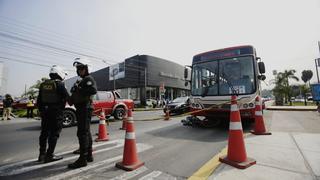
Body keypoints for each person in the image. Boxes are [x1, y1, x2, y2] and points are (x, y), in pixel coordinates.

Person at [68, 57, 97, 169]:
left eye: (82, 68)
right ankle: (89, 155)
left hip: (85, 108)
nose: (79, 70)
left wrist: (78, 89)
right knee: (86, 132)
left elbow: (93, 90)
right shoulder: (80, 80)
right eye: (78, 68)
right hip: (81, 108)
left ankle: (82, 159)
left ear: (87, 68)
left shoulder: (88, 78)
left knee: (82, 133)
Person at [37, 65, 69, 163]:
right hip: (56, 113)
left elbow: (39, 101)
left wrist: (42, 110)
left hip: (45, 112)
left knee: (44, 133)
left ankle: (41, 155)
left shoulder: (43, 84)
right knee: (54, 134)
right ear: (60, 73)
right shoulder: (60, 84)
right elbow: (67, 97)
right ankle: (49, 155)